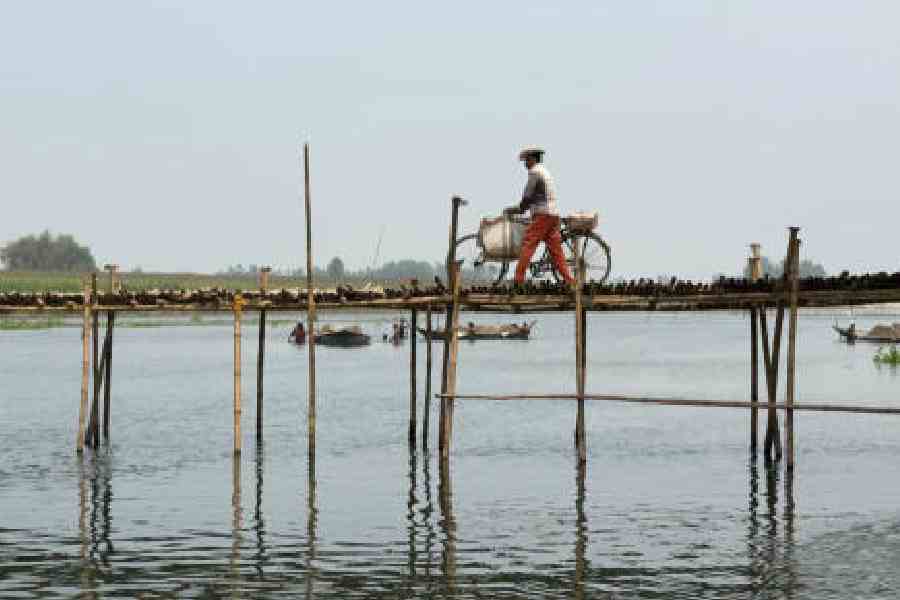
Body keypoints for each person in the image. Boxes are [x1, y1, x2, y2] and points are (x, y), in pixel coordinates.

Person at [506, 147, 575, 285]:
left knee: (528, 244)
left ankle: (518, 281)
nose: (525, 163)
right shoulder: (545, 171)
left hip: (543, 215)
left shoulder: (535, 172)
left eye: (526, 160)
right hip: (553, 215)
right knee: (556, 251)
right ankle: (570, 281)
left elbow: (527, 195)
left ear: (532, 159)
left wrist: (517, 209)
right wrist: (523, 208)